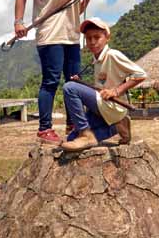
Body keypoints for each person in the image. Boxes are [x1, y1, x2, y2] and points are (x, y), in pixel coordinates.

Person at [14, 0, 96, 144]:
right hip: (51, 35)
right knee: (51, 81)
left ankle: (74, 124)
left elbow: (76, 11)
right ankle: (44, 129)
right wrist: (18, 22)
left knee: (73, 82)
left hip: (71, 36)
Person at [61, 18, 146, 151]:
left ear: (107, 37)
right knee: (71, 139)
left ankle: (86, 134)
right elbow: (100, 86)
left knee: (69, 88)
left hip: (113, 105)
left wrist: (116, 91)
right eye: (88, 38)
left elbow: (140, 75)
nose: (92, 42)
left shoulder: (112, 55)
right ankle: (117, 126)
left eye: (97, 37)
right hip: (103, 106)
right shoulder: (96, 59)